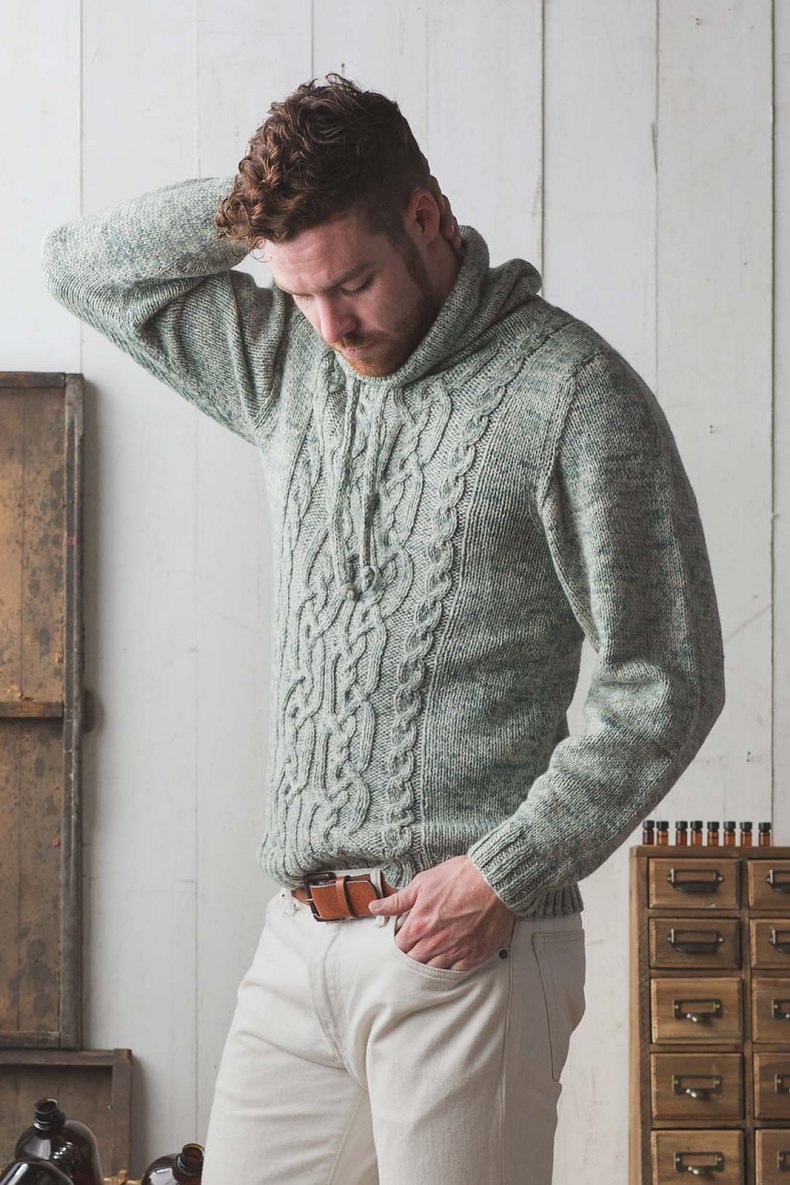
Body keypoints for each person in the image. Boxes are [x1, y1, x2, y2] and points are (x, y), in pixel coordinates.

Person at [41, 74, 725, 1185]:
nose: (331, 324)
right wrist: (264, 202)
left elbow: (666, 673)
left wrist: (505, 871)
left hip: (470, 946)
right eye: (298, 290)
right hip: (296, 941)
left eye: (351, 281)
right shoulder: (290, 364)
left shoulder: (570, 395)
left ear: (425, 215)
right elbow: (86, 267)